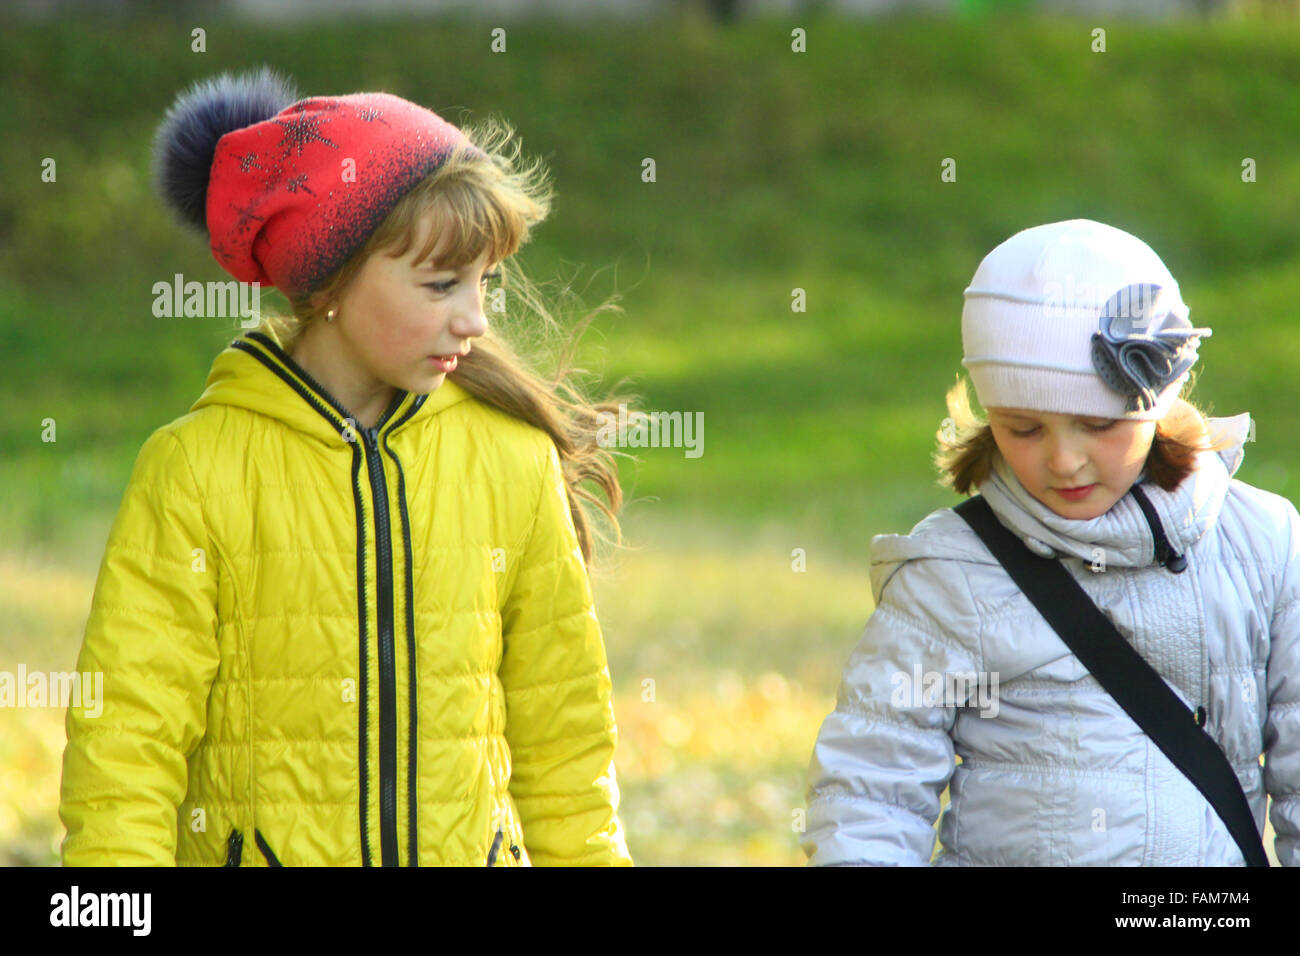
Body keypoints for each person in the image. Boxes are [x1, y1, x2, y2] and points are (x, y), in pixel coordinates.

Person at [58, 67, 635, 866]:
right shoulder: (193, 470)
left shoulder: (513, 460)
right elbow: (126, 743)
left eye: (484, 283)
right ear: (330, 283)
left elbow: (567, 746)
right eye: (441, 285)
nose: (474, 318)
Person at [803, 218, 1300, 866]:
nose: (1063, 461)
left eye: (1098, 423)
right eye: (1023, 428)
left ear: (1159, 397)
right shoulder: (951, 575)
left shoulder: (1265, 546)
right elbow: (872, 793)